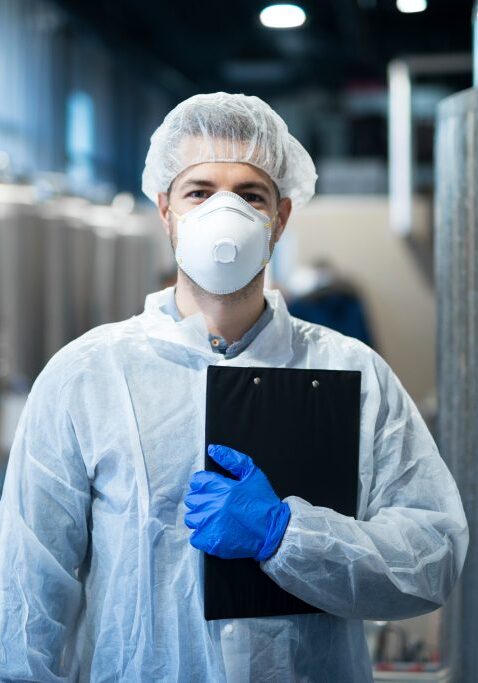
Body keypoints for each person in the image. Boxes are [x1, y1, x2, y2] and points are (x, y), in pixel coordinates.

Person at [0, 92, 468, 682]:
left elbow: (432, 560)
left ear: (281, 218)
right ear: (166, 210)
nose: (226, 213)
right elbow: (25, 590)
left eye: (250, 195)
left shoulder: (354, 371)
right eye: (200, 192)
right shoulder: (88, 376)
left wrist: (287, 536)